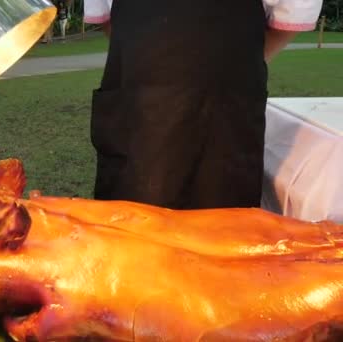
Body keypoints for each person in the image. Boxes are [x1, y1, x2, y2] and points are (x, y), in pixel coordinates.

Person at [84, 0, 323, 210]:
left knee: (219, 231)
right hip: (137, 110)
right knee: (130, 234)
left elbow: (294, 11)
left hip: (224, 115)